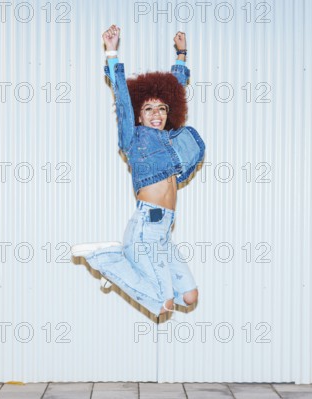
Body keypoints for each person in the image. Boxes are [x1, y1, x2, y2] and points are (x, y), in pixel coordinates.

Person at [71, 25, 205, 318]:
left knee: (189, 296)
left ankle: (126, 268)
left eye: (162, 109)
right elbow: (121, 97)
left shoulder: (169, 140)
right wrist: (112, 52)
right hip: (146, 226)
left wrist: (181, 55)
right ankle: (110, 260)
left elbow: (175, 87)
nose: (156, 115)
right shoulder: (133, 138)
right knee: (162, 303)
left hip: (163, 232)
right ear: (139, 114)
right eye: (148, 109)